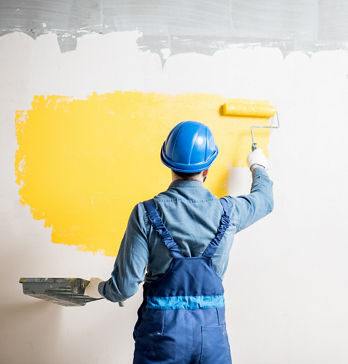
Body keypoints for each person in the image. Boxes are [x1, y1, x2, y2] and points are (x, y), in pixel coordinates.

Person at [85, 120, 273, 363]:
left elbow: (124, 288)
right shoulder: (230, 212)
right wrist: (258, 164)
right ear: (207, 170)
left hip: (161, 337)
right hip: (212, 338)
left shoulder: (145, 213)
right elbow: (265, 200)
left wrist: (97, 288)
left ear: (168, 163)